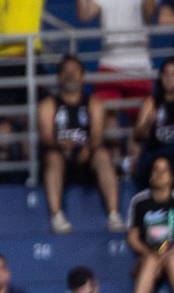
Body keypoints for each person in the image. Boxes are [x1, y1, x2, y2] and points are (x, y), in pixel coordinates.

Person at [39, 56, 123, 235]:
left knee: (102, 155)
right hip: (60, 157)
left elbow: (98, 135)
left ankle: (114, 215)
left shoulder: (93, 103)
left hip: (86, 158)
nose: (70, 75)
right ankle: (57, 216)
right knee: (52, 157)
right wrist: (62, 146)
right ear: (59, 77)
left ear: (82, 77)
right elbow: (46, 137)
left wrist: (88, 148)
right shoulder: (49, 104)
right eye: (66, 71)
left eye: (74, 71)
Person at [77, 0, 155, 171]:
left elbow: (148, 14)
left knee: (138, 124)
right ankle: (115, 167)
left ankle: (133, 169)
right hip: (109, 63)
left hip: (139, 66)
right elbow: (84, 16)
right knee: (106, 117)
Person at [0, 0, 45, 168]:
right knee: (6, 124)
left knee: (30, 122)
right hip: (6, 61)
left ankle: (28, 174)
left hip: (26, 59)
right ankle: (7, 174)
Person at [127, 156, 174, 293]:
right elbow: (133, 237)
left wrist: (167, 251)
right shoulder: (140, 201)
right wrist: (147, 252)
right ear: (150, 175)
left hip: (172, 255)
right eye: (156, 170)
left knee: (172, 257)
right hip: (149, 256)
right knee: (151, 258)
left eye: (164, 170)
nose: (160, 174)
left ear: (171, 176)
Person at [132, 58, 174, 190]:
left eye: (173, 74)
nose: (170, 78)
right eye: (166, 74)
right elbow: (138, 134)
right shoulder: (152, 102)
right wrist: (148, 123)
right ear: (161, 77)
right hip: (156, 154)